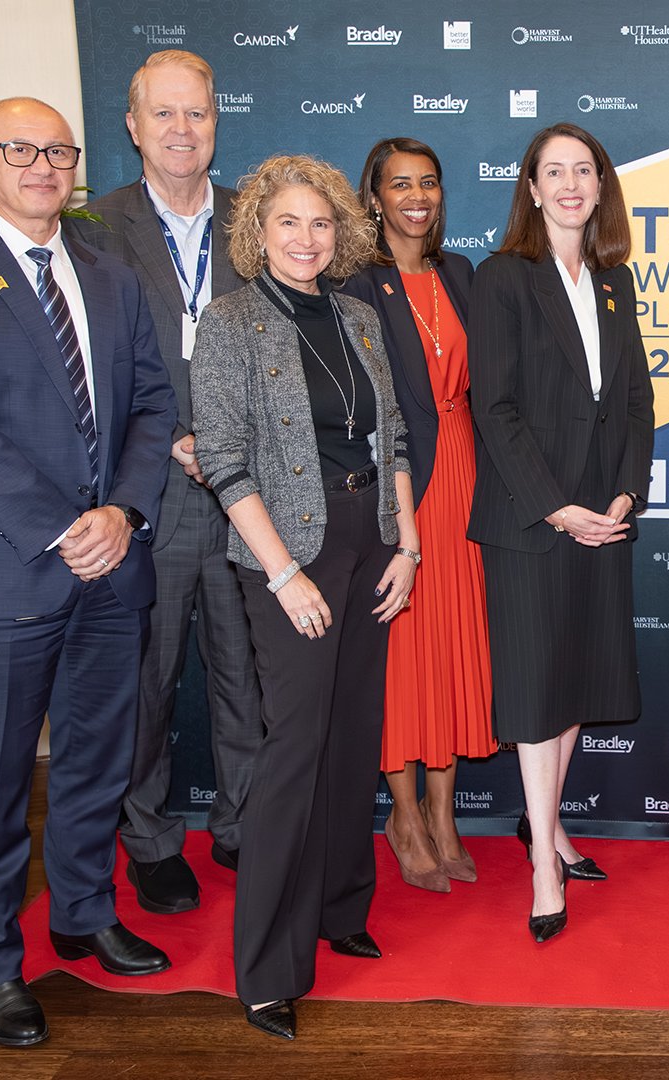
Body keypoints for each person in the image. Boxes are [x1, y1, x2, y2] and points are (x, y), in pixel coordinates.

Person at [0, 96, 177, 1048]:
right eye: (20, 149)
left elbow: (152, 404)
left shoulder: (111, 274)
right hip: (8, 572)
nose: (42, 165)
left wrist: (124, 513)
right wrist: (66, 528)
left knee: (99, 760)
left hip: (112, 561)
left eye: (58, 150)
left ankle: (84, 912)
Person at [191, 154, 418, 1039]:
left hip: (370, 548)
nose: (305, 238)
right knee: (293, 754)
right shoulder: (232, 322)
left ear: (342, 233)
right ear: (257, 230)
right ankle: (266, 968)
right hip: (288, 559)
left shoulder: (359, 317)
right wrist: (283, 574)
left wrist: (407, 543)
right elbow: (224, 457)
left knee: (353, 735)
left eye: (320, 224)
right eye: (288, 222)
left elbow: (392, 434)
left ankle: (340, 909)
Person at [78, 48, 258, 914]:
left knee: (247, 673)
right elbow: (79, 369)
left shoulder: (253, 223)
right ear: (133, 125)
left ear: (217, 120)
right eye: (165, 114)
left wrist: (231, 441)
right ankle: (148, 839)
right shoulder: (94, 229)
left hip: (248, 495)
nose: (183, 131)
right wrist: (169, 441)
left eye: (198, 113)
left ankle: (243, 826)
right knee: (146, 683)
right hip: (146, 495)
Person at [468, 123, 653, 943]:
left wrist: (624, 494)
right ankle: (543, 862)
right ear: (532, 189)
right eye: (555, 172)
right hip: (532, 523)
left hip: (601, 522)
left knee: (573, 684)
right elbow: (494, 407)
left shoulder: (614, 281)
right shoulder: (503, 277)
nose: (572, 184)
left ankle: (547, 828)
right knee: (539, 696)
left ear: (600, 187)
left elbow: (639, 402)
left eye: (585, 170)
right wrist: (554, 506)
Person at [342, 137, 493, 893]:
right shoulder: (358, 283)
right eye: (399, 183)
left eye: (428, 182)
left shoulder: (459, 273)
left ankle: (445, 812)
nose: (416, 196)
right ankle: (403, 816)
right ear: (374, 195)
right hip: (403, 483)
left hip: (465, 478)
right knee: (405, 655)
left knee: (455, 650)